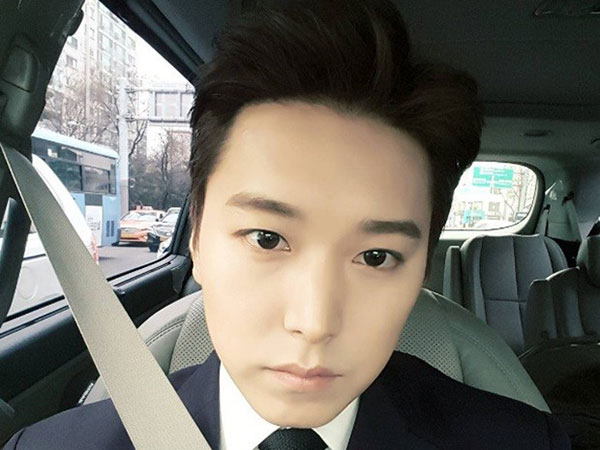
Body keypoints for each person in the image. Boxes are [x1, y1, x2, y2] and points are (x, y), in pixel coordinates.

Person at [4, 0, 571, 449]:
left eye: (376, 256)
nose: (314, 323)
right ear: (197, 237)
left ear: (423, 266)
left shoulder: (522, 441)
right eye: (267, 238)